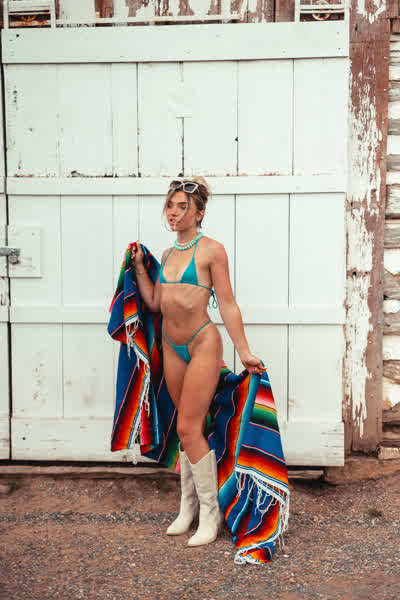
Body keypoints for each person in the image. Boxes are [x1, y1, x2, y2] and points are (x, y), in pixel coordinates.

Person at [130, 176, 266, 547]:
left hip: (202, 343)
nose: (173, 213)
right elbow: (155, 303)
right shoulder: (168, 254)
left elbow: (227, 304)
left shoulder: (211, 251)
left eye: (182, 206)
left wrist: (244, 351)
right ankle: (187, 508)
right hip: (172, 346)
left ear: (199, 213)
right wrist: (140, 268)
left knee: (189, 428)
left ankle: (211, 512)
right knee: (187, 428)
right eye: (170, 205)